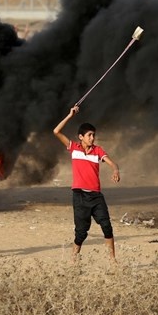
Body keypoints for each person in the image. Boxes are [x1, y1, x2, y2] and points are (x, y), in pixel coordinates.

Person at [53, 105, 120, 263]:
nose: (92, 138)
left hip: (96, 196)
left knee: (107, 226)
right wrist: (70, 115)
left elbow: (113, 164)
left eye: (93, 135)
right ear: (81, 137)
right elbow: (56, 131)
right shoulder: (74, 148)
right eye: (89, 135)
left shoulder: (98, 151)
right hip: (80, 196)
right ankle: (74, 259)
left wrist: (115, 171)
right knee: (81, 233)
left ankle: (113, 261)